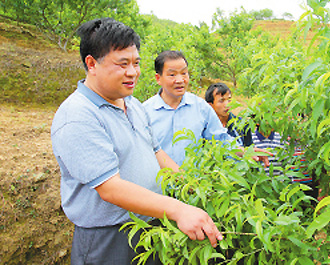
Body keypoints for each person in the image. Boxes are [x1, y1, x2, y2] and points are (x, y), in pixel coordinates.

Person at [51, 18, 222, 265]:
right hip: (109, 237)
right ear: (92, 64)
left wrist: (192, 185)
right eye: (122, 64)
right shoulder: (78, 116)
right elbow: (110, 188)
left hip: (151, 225)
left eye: (136, 63)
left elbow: (157, 152)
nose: (132, 72)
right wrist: (178, 209)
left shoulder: (132, 105)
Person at [143, 51, 270, 167]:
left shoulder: (200, 107)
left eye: (184, 73)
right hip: (157, 188)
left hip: (194, 187)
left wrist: (246, 152)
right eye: (172, 74)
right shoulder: (145, 111)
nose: (180, 80)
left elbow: (221, 140)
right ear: (158, 78)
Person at [205, 82, 253, 147]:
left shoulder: (242, 124)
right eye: (221, 100)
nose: (227, 104)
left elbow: (249, 151)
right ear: (210, 105)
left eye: (229, 100)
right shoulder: (205, 126)